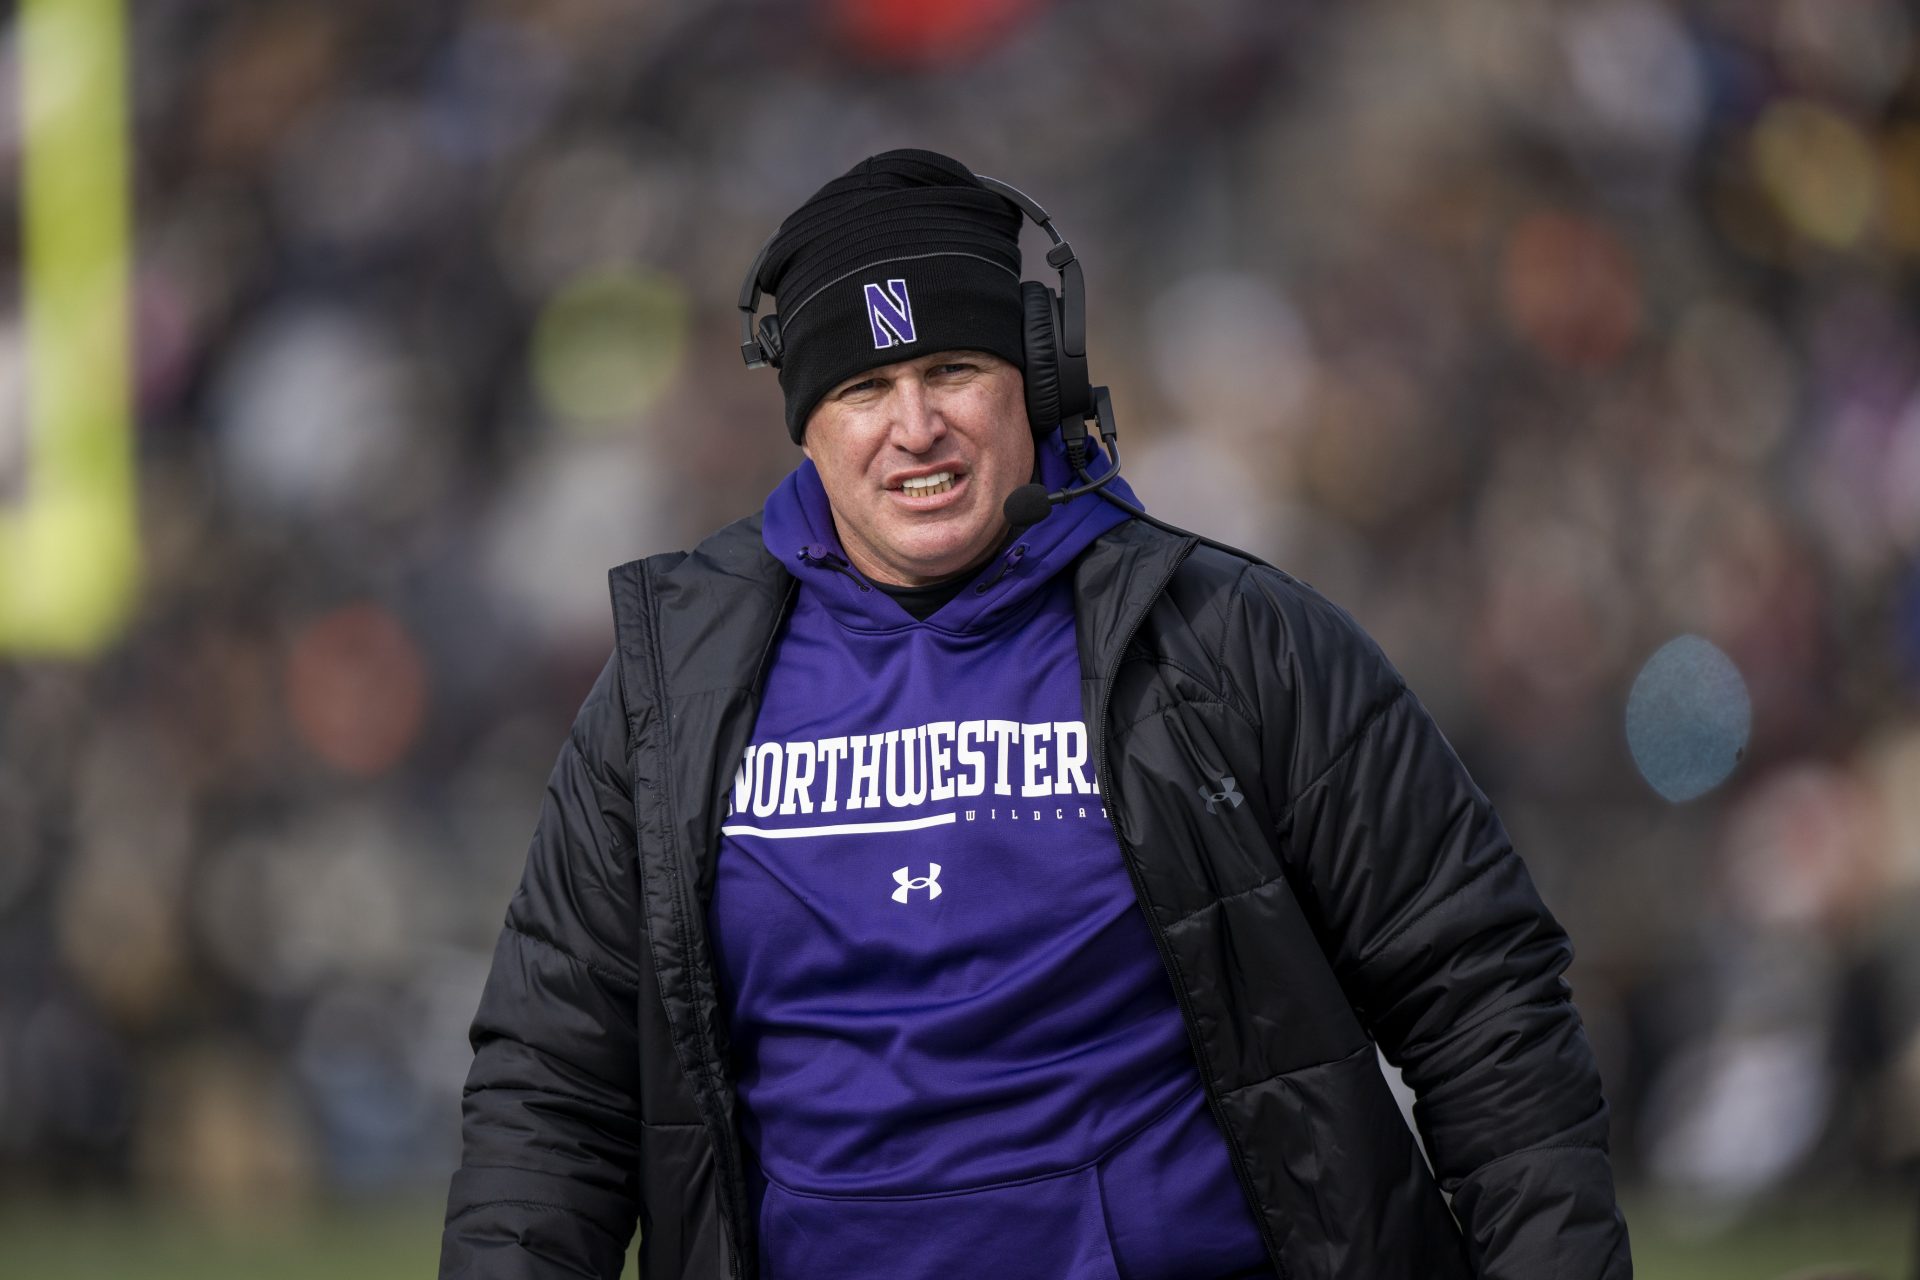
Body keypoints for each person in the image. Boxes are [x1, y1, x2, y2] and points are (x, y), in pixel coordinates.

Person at [439, 149, 1632, 1280]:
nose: (916, 427)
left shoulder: (1237, 640)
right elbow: (553, 1085)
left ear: (1040, 376)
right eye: (864, 387)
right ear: (805, 423)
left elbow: (1480, 996)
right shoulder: (669, 694)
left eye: (952, 369)